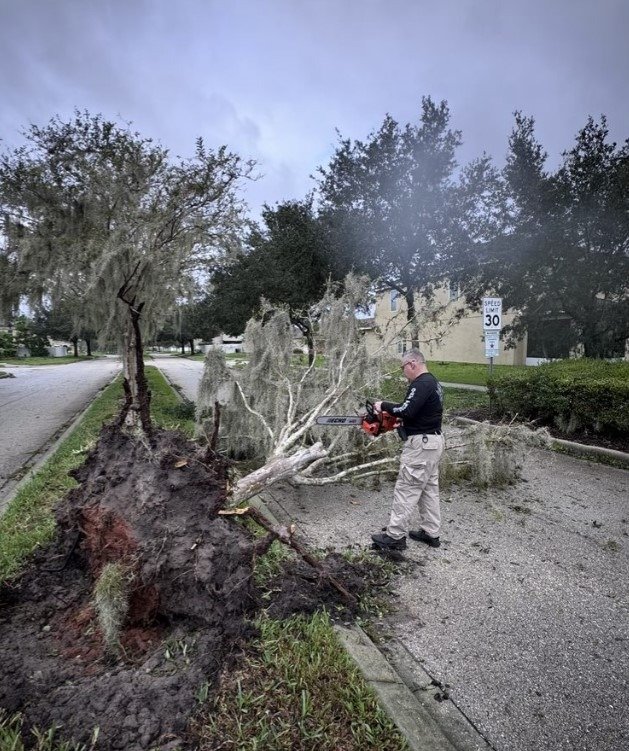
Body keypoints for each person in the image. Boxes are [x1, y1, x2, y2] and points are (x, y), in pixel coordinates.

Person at [371, 349, 444, 551]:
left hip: (421, 445)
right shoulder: (433, 383)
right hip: (432, 441)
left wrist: (382, 405)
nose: (404, 372)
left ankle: (394, 537)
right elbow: (417, 413)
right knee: (428, 489)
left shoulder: (421, 383)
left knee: (407, 488)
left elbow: (407, 409)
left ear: (412, 363)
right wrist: (400, 422)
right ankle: (431, 532)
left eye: (403, 368)